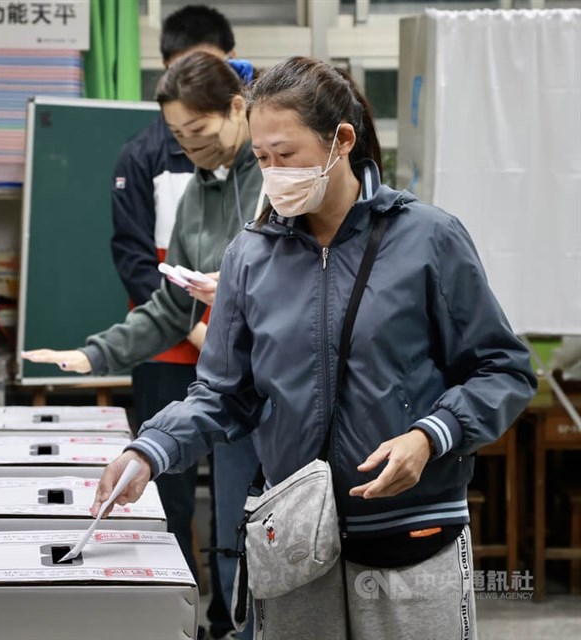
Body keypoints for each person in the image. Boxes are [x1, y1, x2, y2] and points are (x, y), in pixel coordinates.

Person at [86, 56, 537, 640]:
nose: (273, 173)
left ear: (341, 141)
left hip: (413, 535)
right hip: (294, 539)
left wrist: (431, 436)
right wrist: (150, 450)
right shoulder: (249, 257)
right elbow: (222, 394)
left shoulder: (428, 238)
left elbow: (504, 369)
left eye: (287, 154)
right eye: (261, 158)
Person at [23, 50, 262, 640]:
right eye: (177, 136)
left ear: (238, 108)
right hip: (233, 391)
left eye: (199, 132)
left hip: (291, 396)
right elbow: (170, 304)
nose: (188, 148)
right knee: (234, 536)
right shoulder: (197, 194)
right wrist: (94, 355)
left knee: (287, 547)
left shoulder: (279, 176)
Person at [108, 8, 237, 639]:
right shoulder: (143, 155)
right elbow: (135, 262)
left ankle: (229, 618)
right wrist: (195, 333)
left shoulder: (256, 157)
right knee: (171, 493)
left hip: (246, 354)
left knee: (242, 498)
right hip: (171, 354)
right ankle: (180, 620)